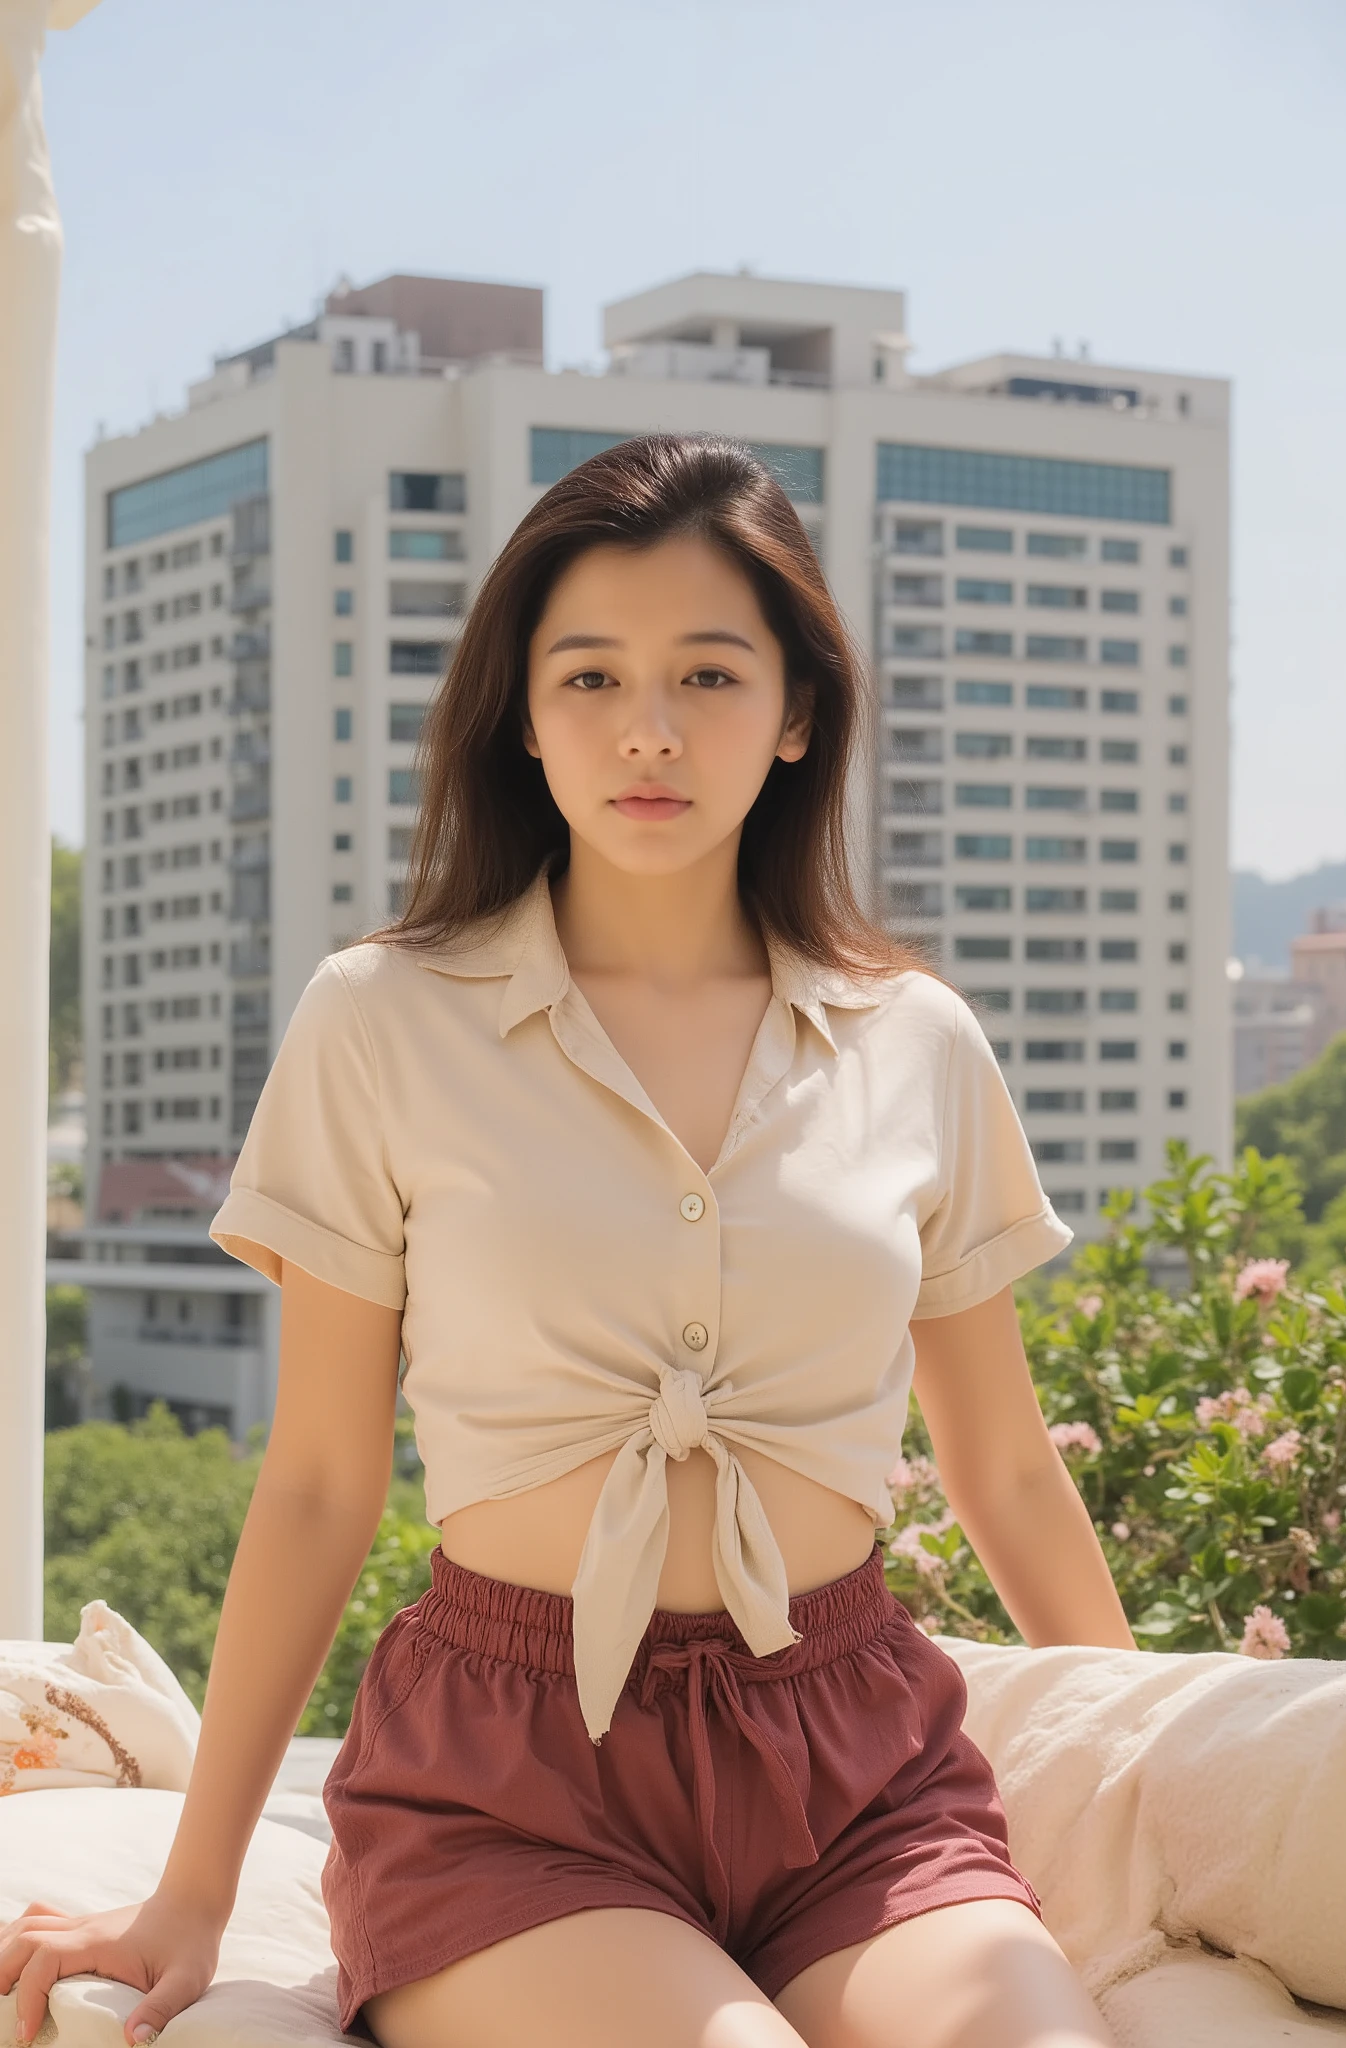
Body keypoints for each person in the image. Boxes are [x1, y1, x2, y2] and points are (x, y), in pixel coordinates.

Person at [0, 434, 1133, 2048]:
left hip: (861, 1770)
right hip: (506, 1786)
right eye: (590, 677)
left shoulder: (919, 1041)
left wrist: (1157, 1786)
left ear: (797, 712)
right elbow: (319, 1480)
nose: (648, 729)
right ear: (524, 717)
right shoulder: (382, 1019)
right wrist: (193, 1892)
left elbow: (1006, 1470)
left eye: (709, 675)